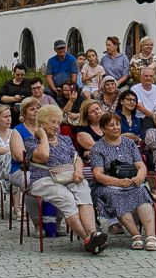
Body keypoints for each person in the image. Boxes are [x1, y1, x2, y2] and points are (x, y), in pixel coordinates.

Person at [24, 103, 106, 254]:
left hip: (69, 176)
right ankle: (88, 239)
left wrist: (79, 171)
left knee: (83, 191)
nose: (56, 126)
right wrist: (42, 136)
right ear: (41, 123)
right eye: (52, 122)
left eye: (58, 122)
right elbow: (44, 156)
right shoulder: (31, 142)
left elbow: (77, 159)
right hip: (44, 180)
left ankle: (93, 235)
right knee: (67, 198)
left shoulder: (65, 140)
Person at [87, 110, 156, 249]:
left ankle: (150, 236)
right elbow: (98, 175)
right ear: (103, 129)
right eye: (111, 125)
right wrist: (119, 182)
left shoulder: (129, 143)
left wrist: (140, 177)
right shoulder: (98, 148)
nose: (116, 127)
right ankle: (135, 235)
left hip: (132, 182)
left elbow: (140, 165)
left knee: (142, 192)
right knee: (115, 196)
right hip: (108, 185)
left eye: (117, 124)